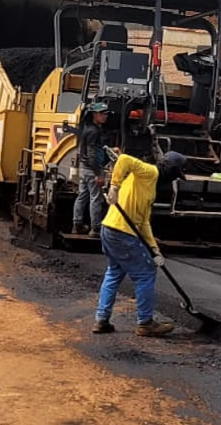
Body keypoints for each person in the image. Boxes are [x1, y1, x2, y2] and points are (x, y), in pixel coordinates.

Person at [93, 150, 187, 337]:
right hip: (121, 232)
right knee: (146, 273)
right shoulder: (150, 172)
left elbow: (143, 222)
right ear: (170, 170)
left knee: (114, 272)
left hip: (110, 229)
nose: (172, 180)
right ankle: (145, 323)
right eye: (175, 175)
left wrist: (154, 249)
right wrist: (114, 187)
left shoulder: (150, 188)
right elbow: (124, 159)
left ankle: (101, 320)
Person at [72, 102, 110, 237]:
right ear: (94, 115)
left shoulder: (87, 128)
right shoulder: (94, 131)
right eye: (101, 114)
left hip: (84, 168)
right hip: (91, 170)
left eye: (105, 114)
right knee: (96, 198)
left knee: (82, 196)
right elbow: (92, 154)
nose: (104, 116)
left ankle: (77, 224)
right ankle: (95, 229)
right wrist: (99, 174)